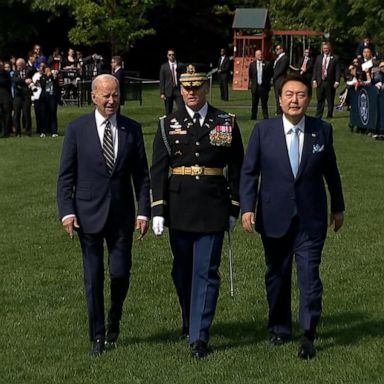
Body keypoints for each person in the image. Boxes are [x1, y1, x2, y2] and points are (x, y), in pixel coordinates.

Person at [240, 74, 345, 360]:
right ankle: (279, 326)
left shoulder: (321, 130)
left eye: (300, 94)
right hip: (273, 216)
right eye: (289, 94)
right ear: (280, 98)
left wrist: (338, 206)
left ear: (308, 99)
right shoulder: (263, 131)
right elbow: (249, 172)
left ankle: (308, 333)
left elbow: (331, 172)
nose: (294, 100)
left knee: (310, 277)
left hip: (310, 219)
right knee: (277, 274)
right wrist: (247, 207)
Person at [150, 64, 244, 359]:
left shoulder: (225, 121)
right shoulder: (168, 123)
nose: (191, 92)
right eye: (186, 88)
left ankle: (199, 337)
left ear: (206, 89)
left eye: (197, 87)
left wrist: (234, 207)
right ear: (180, 90)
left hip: (213, 205)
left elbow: (238, 168)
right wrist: (157, 210)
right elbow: (158, 170)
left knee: (206, 271)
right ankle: (189, 317)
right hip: (179, 206)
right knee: (182, 270)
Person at [57, 74, 150, 357]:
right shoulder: (77, 130)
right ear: (94, 97)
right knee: (93, 277)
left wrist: (143, 212)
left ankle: (114, 320)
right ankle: (97, 336)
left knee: (120, 272)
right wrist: (67, 213)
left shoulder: (131, 129)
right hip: (87, 215)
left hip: (121, 216)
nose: (111, 101)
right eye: (106, 95)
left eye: (116, 95)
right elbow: (65, 177)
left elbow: (142, 177)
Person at [312, 42, 340, 119]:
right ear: (322, 49)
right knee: (320, 99)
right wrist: (314, 80)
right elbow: (315, 69)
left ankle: (329, 114)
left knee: (330, 99)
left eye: (327, 48)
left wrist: (337, 81)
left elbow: (337, 70)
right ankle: (318, 115)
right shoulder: (319, 57)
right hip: (320, 81)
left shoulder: (335, 58)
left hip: (330, 81)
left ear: (329, 48)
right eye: (324, 48)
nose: (325, 50)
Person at [12, 57, 35, 137]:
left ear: (23, 65)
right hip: (18, 96)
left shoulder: (29, 70)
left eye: (19, 65)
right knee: (16, 114)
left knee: (26, 114)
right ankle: (17, 132)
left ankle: (28, 131)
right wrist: (25, 80)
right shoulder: (15, 72)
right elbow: (14, 79)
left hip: (26, 96)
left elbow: (33, 71)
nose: (18, 67)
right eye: (17, 65)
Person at [248, 50, 273, 120]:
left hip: (264, 87)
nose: (260, 56)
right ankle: (253, 117)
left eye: (261, 54)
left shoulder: (267, 64)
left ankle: (265, 117)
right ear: (255, 56)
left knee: (264, 104)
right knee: (254, 104)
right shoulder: (252, 64)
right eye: (258, 55)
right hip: (255, 87)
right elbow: (250, 75)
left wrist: (268, 84)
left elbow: (270, 74)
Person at [159, 49, 184, 115]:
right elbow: (162, 80)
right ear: (167, 56)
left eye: (173, 55)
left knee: (182, 108)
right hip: (168, 91)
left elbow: (183, 78)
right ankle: (169, 123)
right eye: (169, 55)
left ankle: (182, 122)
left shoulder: (180, 65)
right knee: (168, 111)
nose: (171, 56)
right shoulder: (164, 67)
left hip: (178, 90)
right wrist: (162, 93)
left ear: (175, 55)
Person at [273, 44, 289, 115]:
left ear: (281, 49)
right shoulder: (278, 58)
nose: (276, 51)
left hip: (280, 80)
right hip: (277, 80)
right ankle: (278, 111)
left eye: (277, 49)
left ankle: (280, 112)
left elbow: (281, 70)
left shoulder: (284, 58)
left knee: (280, 96)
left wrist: (274, 76)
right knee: (277, 96)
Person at [0, 60, 13, 138]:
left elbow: (8, 84)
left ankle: (6, 132)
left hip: (6, 96)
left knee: (7, 115)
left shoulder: (6, 74)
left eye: (1, 65)